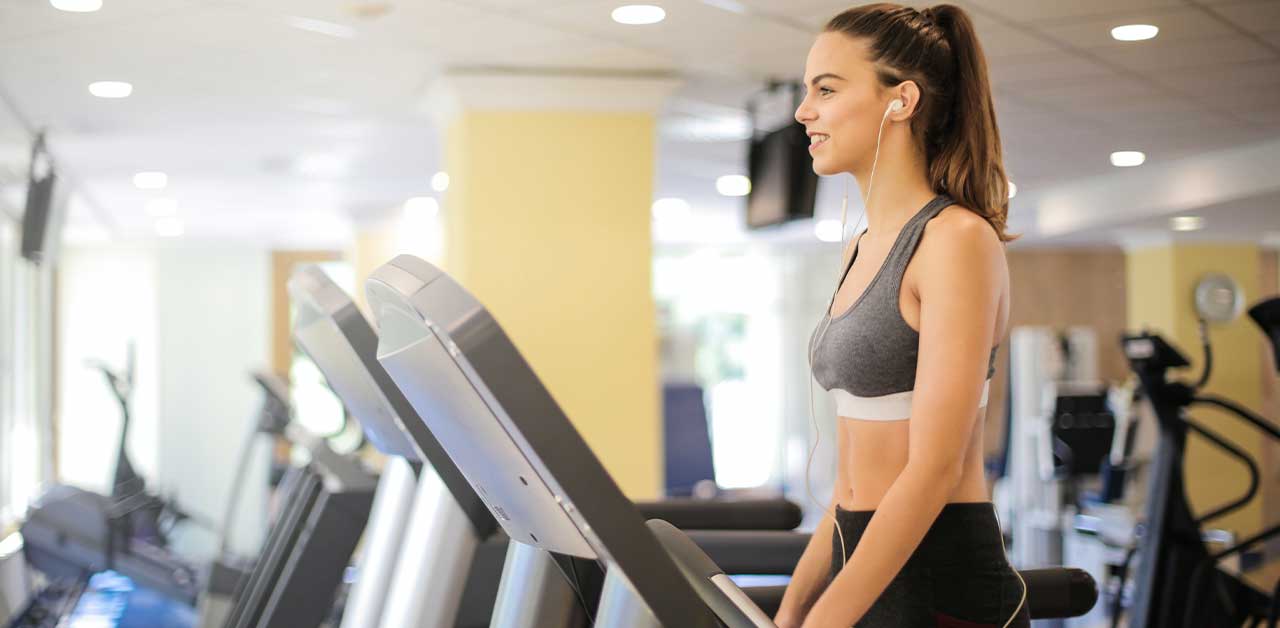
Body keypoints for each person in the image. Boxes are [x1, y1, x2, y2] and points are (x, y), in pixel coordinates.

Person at [775, 4, 1028, 627]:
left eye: (826, 90)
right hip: (862, 559)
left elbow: (935, 466)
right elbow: (850, 485)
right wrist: (793, 609)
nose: (804, 110)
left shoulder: (955, 240)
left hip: (940, 574)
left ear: (901, 100)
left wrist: (826, 618)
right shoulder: (865, 246)